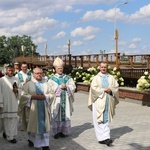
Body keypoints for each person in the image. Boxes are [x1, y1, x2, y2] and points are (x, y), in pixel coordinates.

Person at [19, 67, 54, 150]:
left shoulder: (46, 84)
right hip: (33, 109)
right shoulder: (28, 84)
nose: (39, 75)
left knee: (44, 126)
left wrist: (46, 96)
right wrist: (31, 97)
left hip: (44, 109)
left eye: (40, 73)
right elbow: (23, 95)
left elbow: (52, 94)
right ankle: (32, 141)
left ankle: (45, 145)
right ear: (33, 74)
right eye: (37, 73)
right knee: (33, 126)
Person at [88, 62, 119, 146]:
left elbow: (116, 86)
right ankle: (101, 138)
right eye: (102, 67)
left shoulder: (111, 77)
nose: (103, 68)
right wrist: (103, 90)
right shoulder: (96, 78)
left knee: (106, 119)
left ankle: (106, 137)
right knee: (99, 119)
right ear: (99, 68)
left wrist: (111, 90)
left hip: (108, 100)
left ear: (107, 68)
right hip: (99, 101)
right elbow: (94, 89)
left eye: (105, 67)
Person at [48, 57, 76, 139]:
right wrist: (59, 87)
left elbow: (73, 86)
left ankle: (63, 132)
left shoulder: (67, 78)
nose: (60, 69)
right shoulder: (52, 79)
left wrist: (67, 87)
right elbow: (49, 89)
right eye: (58, 68)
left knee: (65, 115)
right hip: (56, 101)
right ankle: (56, 132)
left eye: (61, 68)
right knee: (56, 115)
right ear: (55, 69)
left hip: (66, 100)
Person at [0, 65, 22, 143]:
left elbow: (20, 90)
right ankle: (6, 133)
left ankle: (11, 137)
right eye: (9, 70)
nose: (11, 72)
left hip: (13, 103)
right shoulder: (2, 80)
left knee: (13, 120)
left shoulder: (16, 79)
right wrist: (1, 103)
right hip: (5, 104)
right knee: (5, 120)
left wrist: (17, 91)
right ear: (6, 70)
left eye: (12, 70)